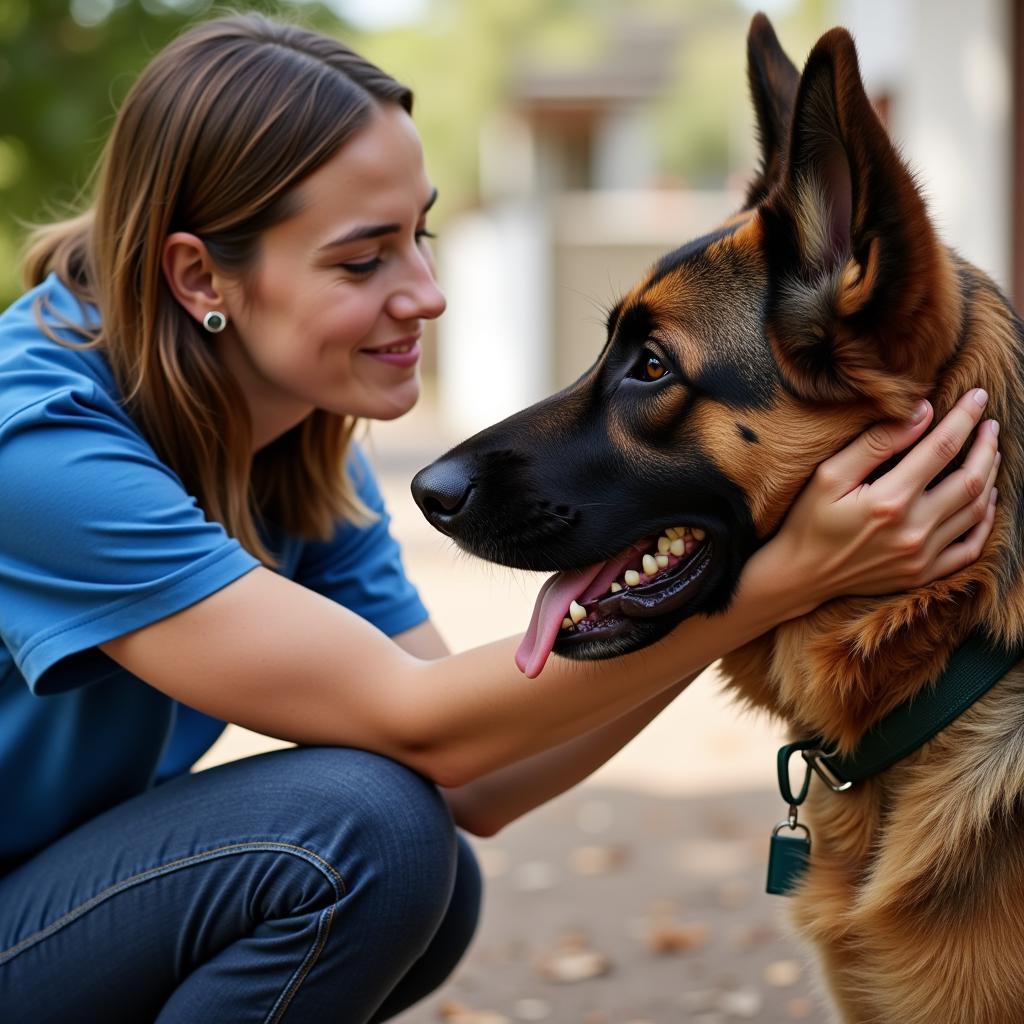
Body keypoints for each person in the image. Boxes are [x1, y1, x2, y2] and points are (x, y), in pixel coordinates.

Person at [0, 12, 1000, 1024]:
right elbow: (417, 724)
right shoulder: (36, 450)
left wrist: (710, 567)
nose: (426, 294)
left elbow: (483, 773)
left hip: (44, 900)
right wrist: (773, 581)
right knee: (353, 840)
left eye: (418, 234)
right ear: (200, 278)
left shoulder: (289, 434)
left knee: (424, 873)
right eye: (363, 262)